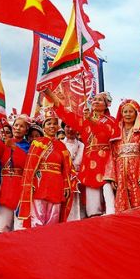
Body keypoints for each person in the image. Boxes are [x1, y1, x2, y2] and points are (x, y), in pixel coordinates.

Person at [44, 88, 118, 217]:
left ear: (106, 105)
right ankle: (93, 217)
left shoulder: (111, 121)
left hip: (106, 160)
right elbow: (67, 114)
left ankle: (111, 217)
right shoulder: (84, 121)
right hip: (89, 163)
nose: (96, 101)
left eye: (100, 100)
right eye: (94, 99)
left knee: (108, 193)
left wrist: (92, 120)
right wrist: (50, 94)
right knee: (92, 200)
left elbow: (108, 133)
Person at [17, 107, 73, 227]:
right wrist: (30, 183)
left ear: (58, 127)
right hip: (40, 183)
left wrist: (67, 184)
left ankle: (51, 243)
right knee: (37, 218)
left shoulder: (62, 146)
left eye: (54, 123)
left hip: (57, 184)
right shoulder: (37, 143)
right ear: (43, 127)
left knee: (54, 218)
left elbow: (67, 168)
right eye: (48, 123)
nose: (52, 126)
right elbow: (30, 166)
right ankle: (36, 244)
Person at [0, 114, 31, 232]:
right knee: (2, 229)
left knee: (21, 230)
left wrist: (14, 147)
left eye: (22, 126)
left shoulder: (30, 147)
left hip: (21, 192)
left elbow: (28, 163)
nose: (18, 128)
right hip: (4, 191)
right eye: (16, 125)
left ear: (26, 130)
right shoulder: (4, 144)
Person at [111, 99, 140, 212]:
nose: (127, 114)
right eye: (125, 111)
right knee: (121, 197)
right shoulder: (116, 133)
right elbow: (112, 155)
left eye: (131, 111)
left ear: (136, 113)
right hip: (120, 169)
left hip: (136, 169)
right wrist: (113, 177)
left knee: (137, 197)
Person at [62, 123, 85, 221]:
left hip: (79, 180)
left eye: (73, 126)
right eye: (67, 126)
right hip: (64, 180)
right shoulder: (60, 144)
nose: (70, 129)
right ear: (63, 128)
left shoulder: (82, 145)